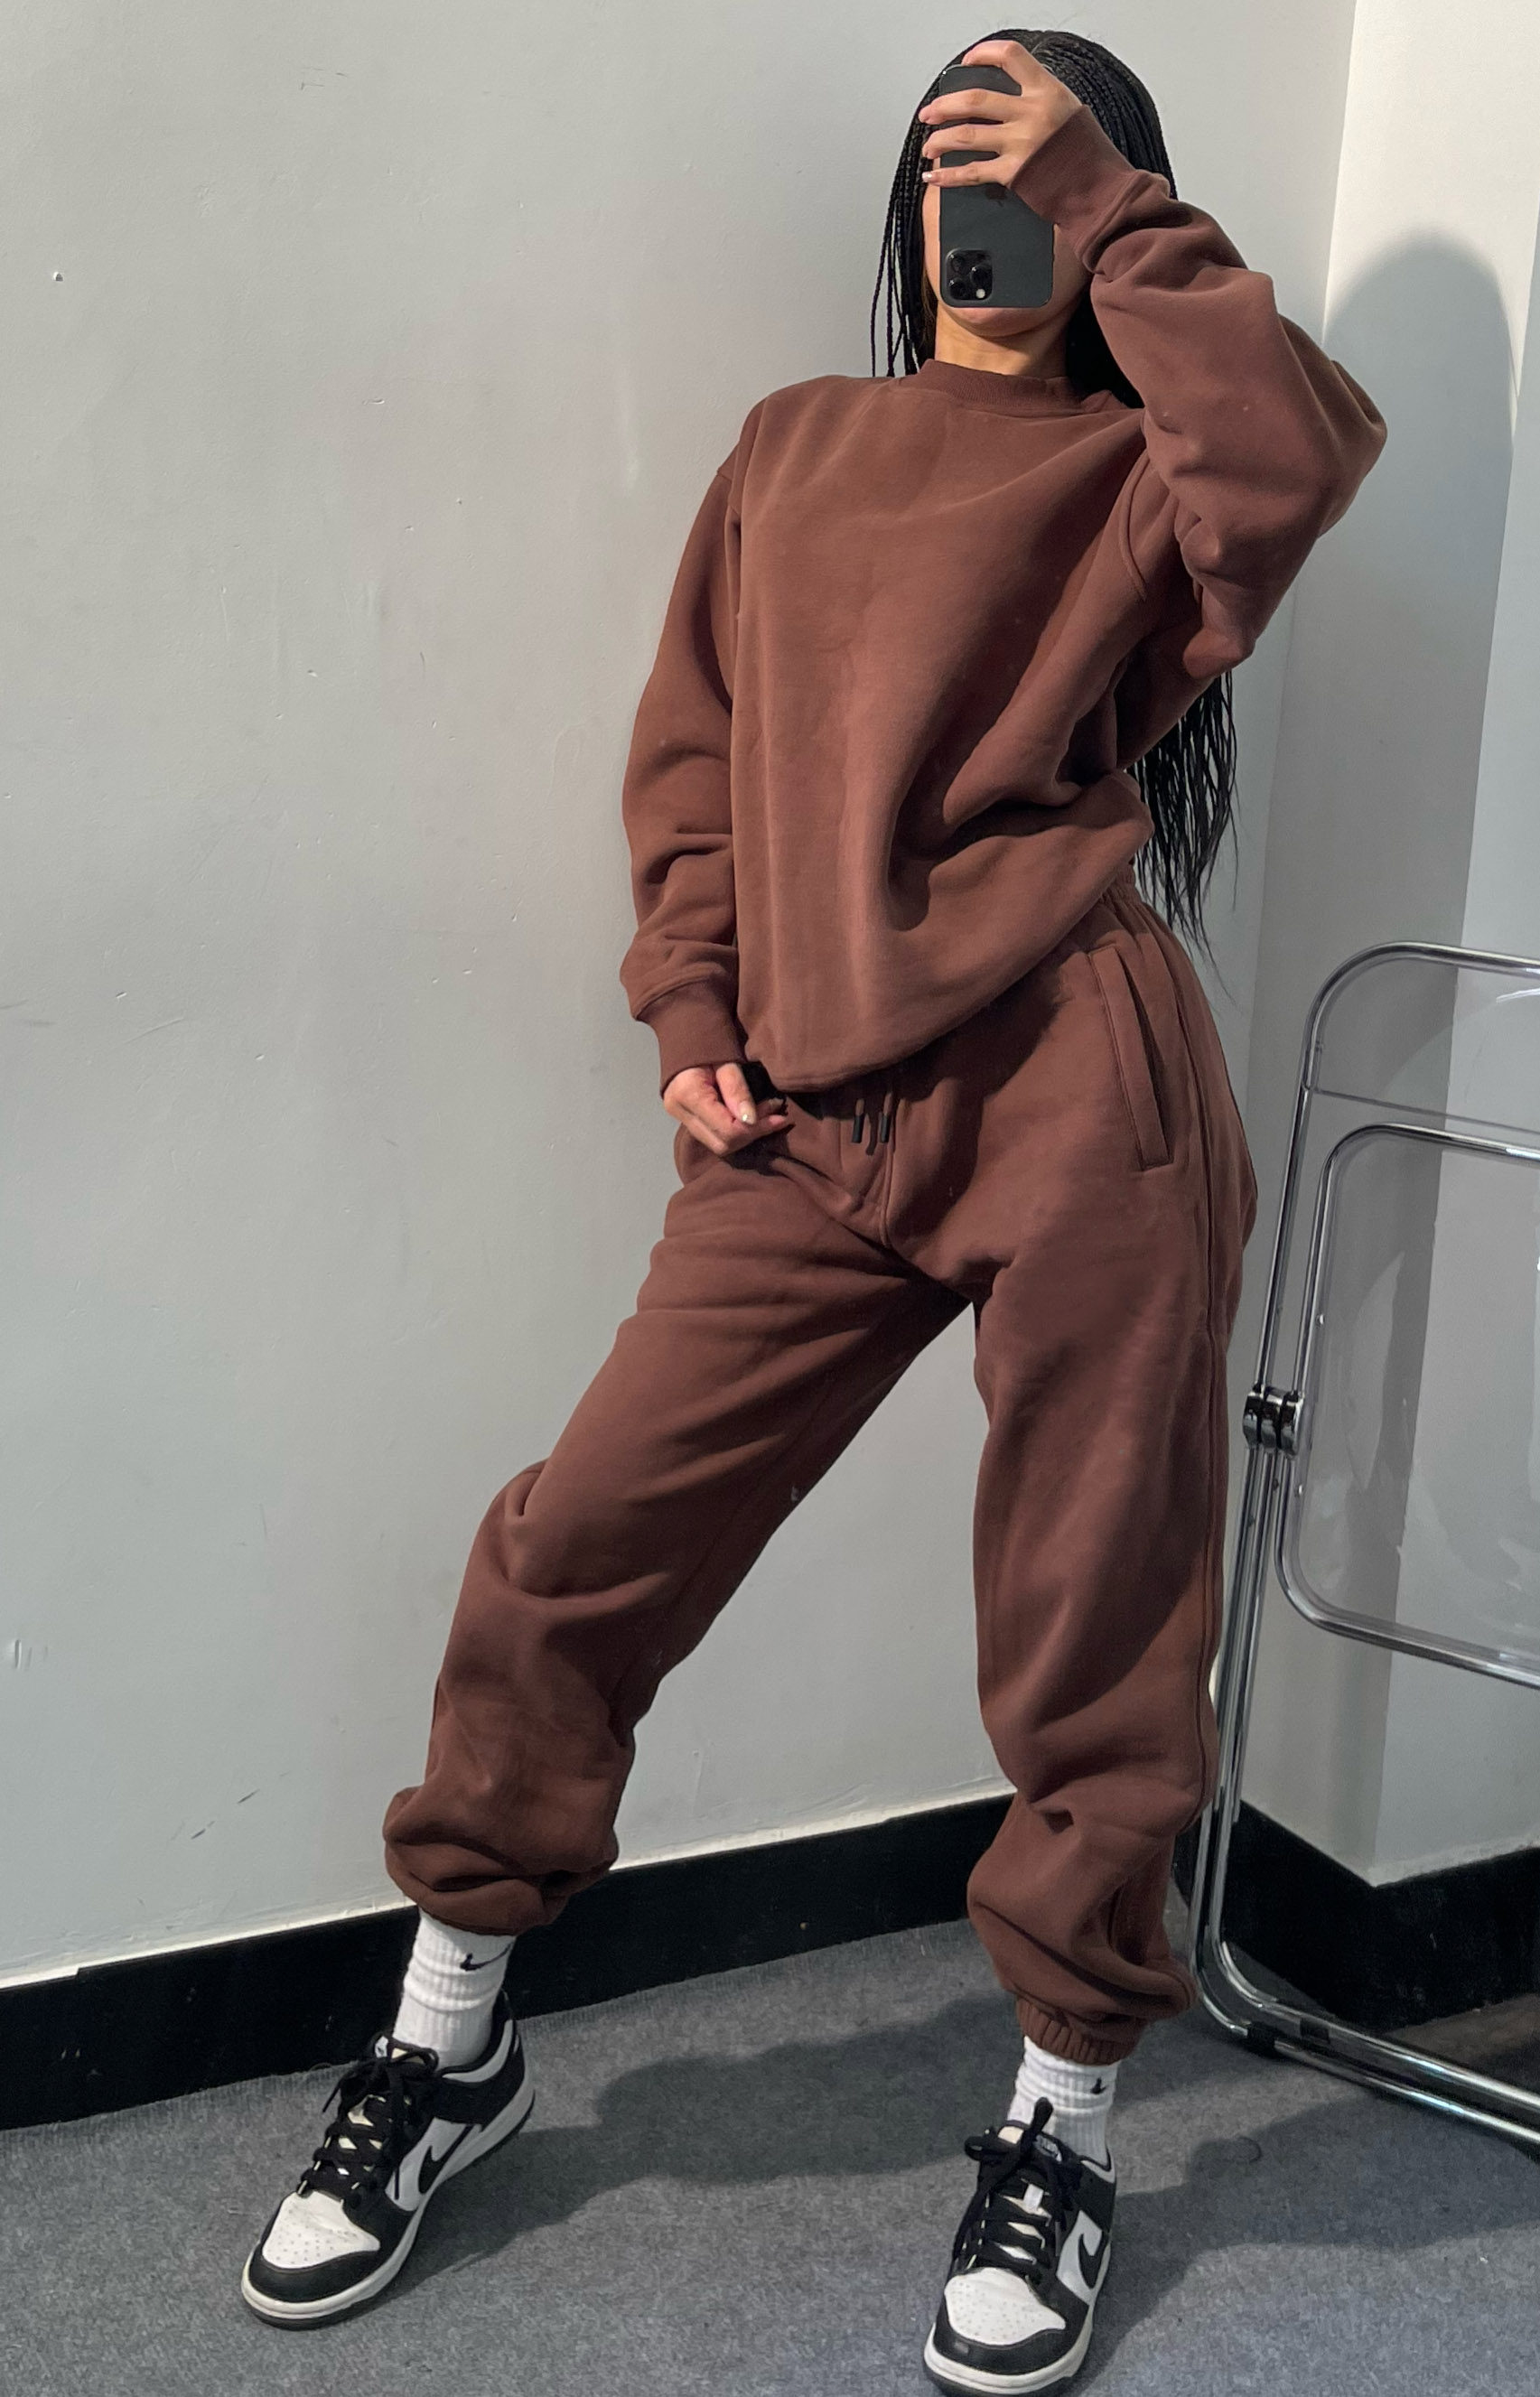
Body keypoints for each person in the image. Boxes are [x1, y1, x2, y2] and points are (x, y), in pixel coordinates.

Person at [239, 28, 1384, 2388]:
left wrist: (1122, 211)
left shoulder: (1148, 465)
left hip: (1081, 1089)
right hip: (811, 1116)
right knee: (581, 1544)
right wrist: (691, 1002)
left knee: (1099, 1616)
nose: (993, 203)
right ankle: (449, 2038)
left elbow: (1290, 457)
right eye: (959, 158)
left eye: (1039, 163)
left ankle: (1062, 2120)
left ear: (1111, 199)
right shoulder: (797, 445)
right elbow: (695, 758)